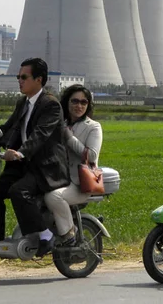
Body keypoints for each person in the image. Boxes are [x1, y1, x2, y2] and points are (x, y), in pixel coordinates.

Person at [0, 58, 70, 257]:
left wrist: (20, 152)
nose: (19, 81)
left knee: (18, 191)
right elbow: (7, 128)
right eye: (18, 77)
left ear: (39, 79)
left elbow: (40, 135)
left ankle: (46, 235)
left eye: (23, 77)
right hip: (24, 166)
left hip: (45, 168)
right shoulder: (23, 102)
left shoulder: (51, 105)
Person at [44, 85, 103, 245]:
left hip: (80, 184)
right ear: (67, 103)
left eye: (84, 102)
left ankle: (70, 235)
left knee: (53, 197)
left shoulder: (93, 127)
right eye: (75, 101)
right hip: (56, 178)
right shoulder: (60, 123)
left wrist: (70, 138)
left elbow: (91, 155)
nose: (79, 106)